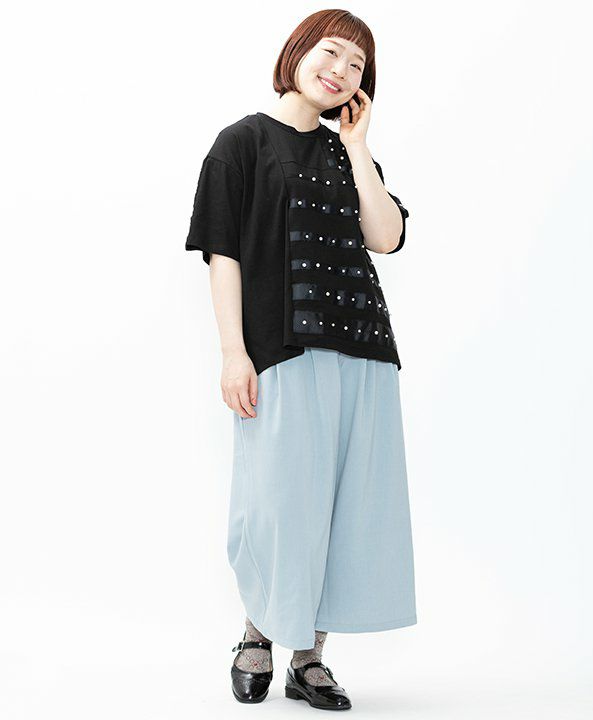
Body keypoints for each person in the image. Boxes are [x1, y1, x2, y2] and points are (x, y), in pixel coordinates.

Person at [185, 9, 417, 711]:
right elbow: (222, 254)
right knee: (281, 504)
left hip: (363, 348)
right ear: (298, 52)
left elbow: (386, 236)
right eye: (332, 52)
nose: (341, 71)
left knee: (346, 509)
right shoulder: (242, 142)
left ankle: (310, 658)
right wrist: (234, 354)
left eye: (357, 66)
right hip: (281, 348)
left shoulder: (352, 153)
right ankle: (256, 634)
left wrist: (357, 146)